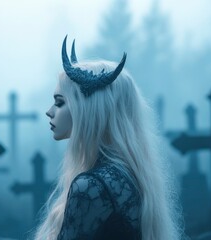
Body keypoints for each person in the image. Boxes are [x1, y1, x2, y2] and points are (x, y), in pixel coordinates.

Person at [35, 36, 182, 240]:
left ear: (88, 110)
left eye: (60, 103)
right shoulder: (129, 178)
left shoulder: (92, 186)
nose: (49, 112)